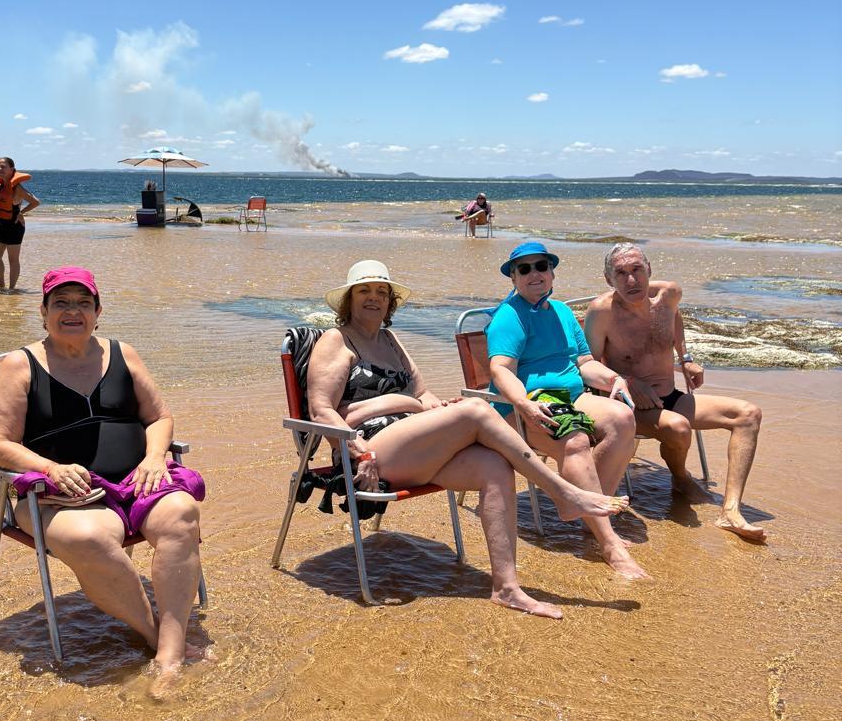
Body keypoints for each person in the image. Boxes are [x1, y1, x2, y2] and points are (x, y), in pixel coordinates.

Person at [308, 259, 628, 619]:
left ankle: (506, 588)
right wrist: (360, 450)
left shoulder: (389, 339)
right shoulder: (336, 340)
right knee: (476, 411)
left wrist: (438, 406)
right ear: (348, 300)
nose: (374, 298)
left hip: (412, 445)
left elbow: (423, 394)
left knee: (493, 466)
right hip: (369, 451)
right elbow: (320, 411)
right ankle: (563, 491)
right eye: (364, 291)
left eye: (381, 292)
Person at [0, 266, 207, 691]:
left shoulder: (124, 354)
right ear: (44, 311)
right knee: (89, 538)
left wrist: (155, 457)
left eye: (83, 303)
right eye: (61, 303)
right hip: (63, 495)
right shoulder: (21, 365)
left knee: (181, 511)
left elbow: (159, 416)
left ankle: (171, 653)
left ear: (98, 312)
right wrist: (50, 468)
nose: (73, 311)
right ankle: (155, 637)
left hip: (136, 481)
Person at [486, 241, 649, 580]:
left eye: (541, 266)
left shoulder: (560, 312)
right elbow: (500, 369)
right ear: (513, 277)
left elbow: (584, 363)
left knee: (622, 417)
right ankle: (609, 542)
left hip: (570, 394)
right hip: (530, 400)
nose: (535, 274)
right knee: (574, 438)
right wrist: (523, 403)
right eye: (525, 269)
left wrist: (614, 379)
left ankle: (583, 508)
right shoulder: (509, 316)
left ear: (551, 272)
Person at [584, 243, 765, 542]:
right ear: (608, 280)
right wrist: (627, 381)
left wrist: (686, 357)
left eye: (636, 270)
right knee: (678, 428)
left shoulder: (669, 296)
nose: (631, 280)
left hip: (671, 397)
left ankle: (730, 511)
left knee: (748, 414)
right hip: (628, 407)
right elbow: (588, 363)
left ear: (649, 270)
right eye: (621, 274)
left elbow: (674, 317)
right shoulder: (602, 311)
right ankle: (680, 478)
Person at [0, 157, 39, 292]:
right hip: (0, 226)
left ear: (12, 169)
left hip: (14, 226)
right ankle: (1, 284)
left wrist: (22, 212)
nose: (0, 169)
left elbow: (35, 202)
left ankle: (12, 288)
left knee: (13, 259)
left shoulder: (17, 188)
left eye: (3, 167)